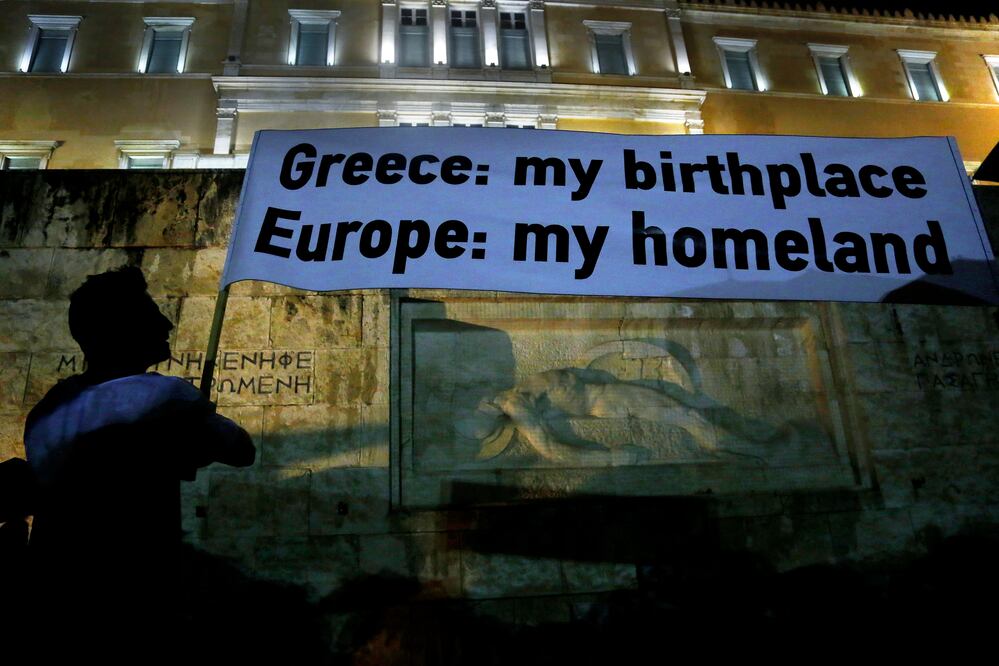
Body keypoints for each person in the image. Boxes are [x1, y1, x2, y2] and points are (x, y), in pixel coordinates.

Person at [22, 266, 255, 659]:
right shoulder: (161, 398)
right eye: (150, 314)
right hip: (134, 602)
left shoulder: (49, 409)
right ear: (118, 330)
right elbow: (241, 450)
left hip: (56, 597)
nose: (164, 322)